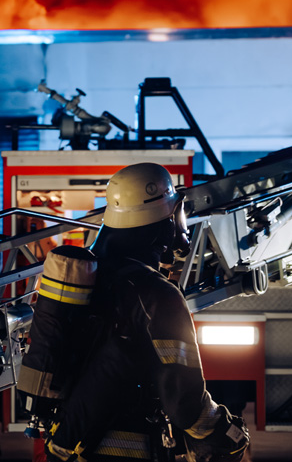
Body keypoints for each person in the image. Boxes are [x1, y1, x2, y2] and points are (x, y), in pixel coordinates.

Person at [44, 162, 249, 462]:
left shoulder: (93, 276)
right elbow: (185, 403)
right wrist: (228, 432)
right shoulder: (156, 295)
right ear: (166, 219)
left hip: (69, 445)